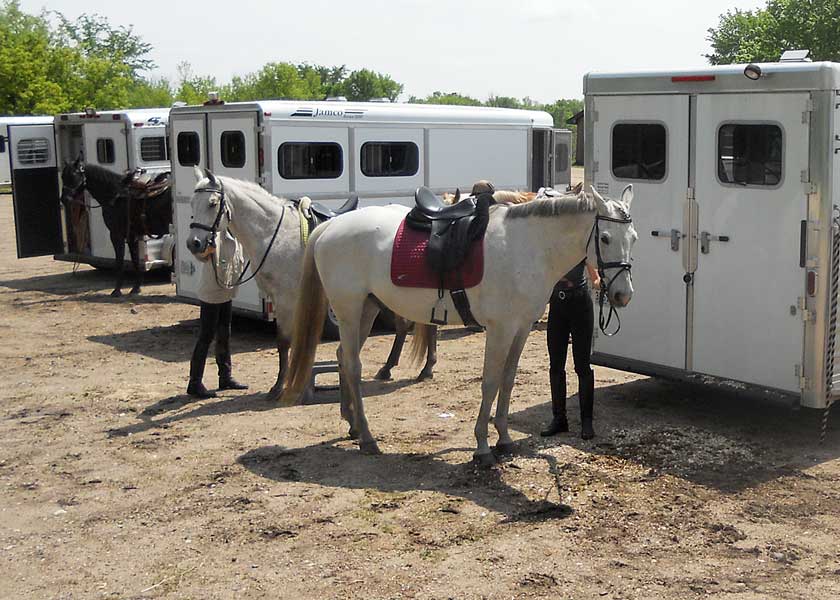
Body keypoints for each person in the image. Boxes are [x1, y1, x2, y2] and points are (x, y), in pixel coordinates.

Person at [541, 260, 600, 439]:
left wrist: (601, 284)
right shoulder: (554, 246)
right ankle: (559, 419)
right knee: (556, 365)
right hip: (557, 305)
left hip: (580, 303)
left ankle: (587, 421)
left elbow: (595, 277)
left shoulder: (581, 248)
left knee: (582, 365)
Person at [187, 229, 248, 399]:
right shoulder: (214, 234)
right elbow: (199, 253)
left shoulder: (236, 234)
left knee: (224, 334)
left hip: (226, 291)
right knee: (206, 336)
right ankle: (194, 383)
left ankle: (225, 377)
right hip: (211, 292)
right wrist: (207, 251)